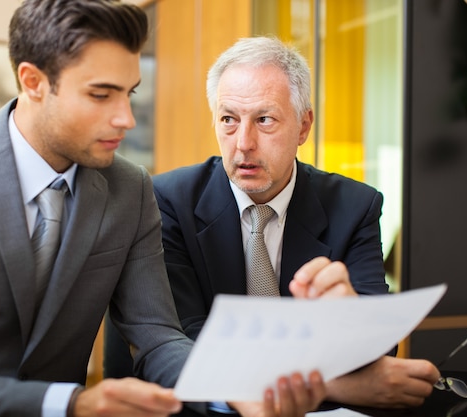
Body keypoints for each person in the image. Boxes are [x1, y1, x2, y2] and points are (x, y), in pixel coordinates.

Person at [0, 2, 328, 417]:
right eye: (101, 95)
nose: (126, 117)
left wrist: (234, 390)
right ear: (34, 82)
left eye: (129, 92)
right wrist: (70, 403)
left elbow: (157, 336)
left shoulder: (130, 187)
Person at [104, 36, 441, 411]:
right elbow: (188, 338)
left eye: (264, 120)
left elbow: (380, 354)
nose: (243, 143)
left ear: (303, 126)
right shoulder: (166, 200)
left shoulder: (355, 205)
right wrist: (335, 383)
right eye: (228, 120)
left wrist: (352, 321)